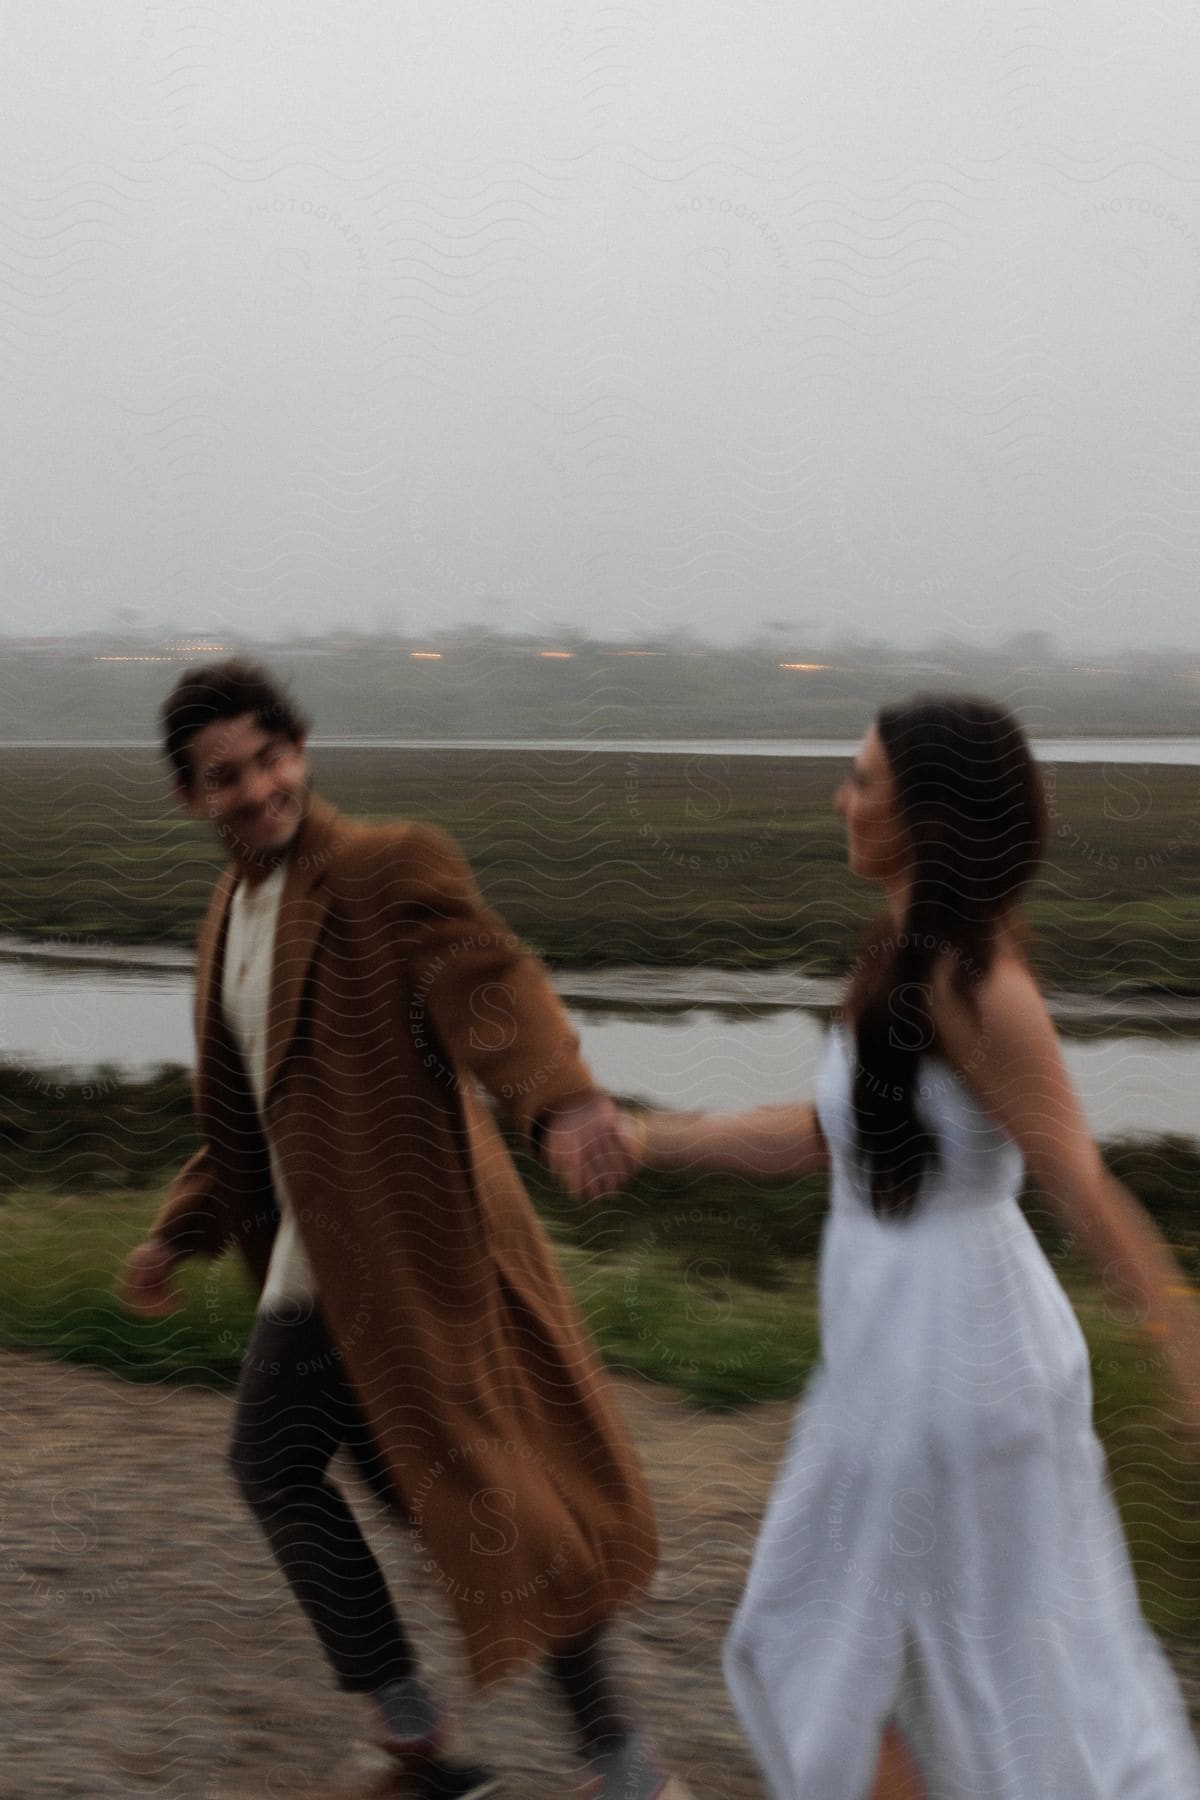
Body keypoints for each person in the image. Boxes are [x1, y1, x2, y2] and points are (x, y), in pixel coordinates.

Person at [118, 659, 692, 1800]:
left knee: (280, 1462)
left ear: (303, 748)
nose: (259, 789)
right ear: (192, 798)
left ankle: (421, 1737)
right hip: (321, 1249)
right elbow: (253, 1108)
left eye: (271, 759)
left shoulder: (385, 868)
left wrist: (563, 1100)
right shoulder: (230, 913)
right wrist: (177, 1234)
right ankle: (607, 1765)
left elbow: (489, 985)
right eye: (227, 777)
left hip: (400, 1249)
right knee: (485, 1509)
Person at [621, 695, 1200, 1798]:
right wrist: (650, 1137)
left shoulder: (980, 985)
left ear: (927, 815)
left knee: (884, 1656)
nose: (841, 800)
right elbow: (822, 1135)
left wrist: (1180, 1340)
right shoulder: (904, 960)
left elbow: (1077, 1180)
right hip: (897, 1366)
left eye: (863, 781)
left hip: (959, 1374)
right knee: (900, 1665)